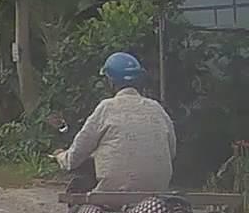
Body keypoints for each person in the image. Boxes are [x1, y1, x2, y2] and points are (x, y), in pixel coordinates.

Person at [53, 52, 176, 194]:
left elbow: (75, 156)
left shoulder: (106, 108)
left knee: (81, 182)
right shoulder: (157, 108)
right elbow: (171, 151)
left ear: (110, 82)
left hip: (112, 195)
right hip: (157, 194)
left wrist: (60, 156)